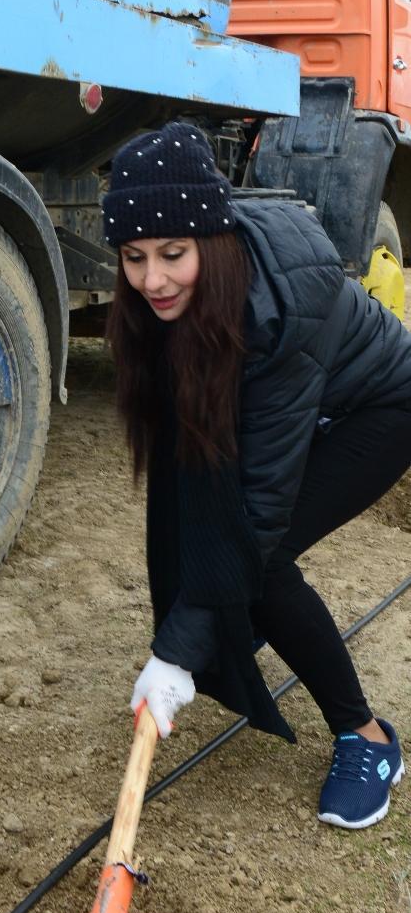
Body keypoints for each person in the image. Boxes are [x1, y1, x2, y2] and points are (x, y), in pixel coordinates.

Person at [102, 120, 411, 830]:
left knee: (258, 561)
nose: (151, 279)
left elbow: (255, 514)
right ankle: (224, 627)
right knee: (218, 545)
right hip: (306, 403)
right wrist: (183, 638)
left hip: (377, 410)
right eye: (132, 256)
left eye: (172, 255)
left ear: (209, 240)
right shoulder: (185, 295)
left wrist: (176, 650)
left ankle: (367, 741)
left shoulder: (273, 316)